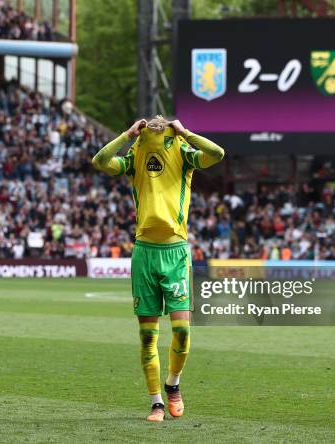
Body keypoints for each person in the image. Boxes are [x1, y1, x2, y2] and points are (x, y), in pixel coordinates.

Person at [92, 116, 224, 422]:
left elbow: (217, 154)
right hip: (144, 254)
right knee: (148, 337)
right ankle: (156, 403)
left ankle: (173, 384)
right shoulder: (135, 154)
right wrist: (126, 134)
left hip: (176, 252)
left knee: (181, 332)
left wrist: (185, 132)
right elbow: (100, 161)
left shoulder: (184, 153)